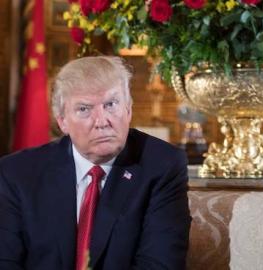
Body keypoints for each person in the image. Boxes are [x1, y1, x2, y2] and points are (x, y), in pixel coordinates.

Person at [0, 56, 191, 270]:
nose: (102, 122)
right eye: (84, 109)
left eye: (111, 104)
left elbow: (160, 265)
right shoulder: (17, 174)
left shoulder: (162, 165)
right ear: (62, 121)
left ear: (128, 109)